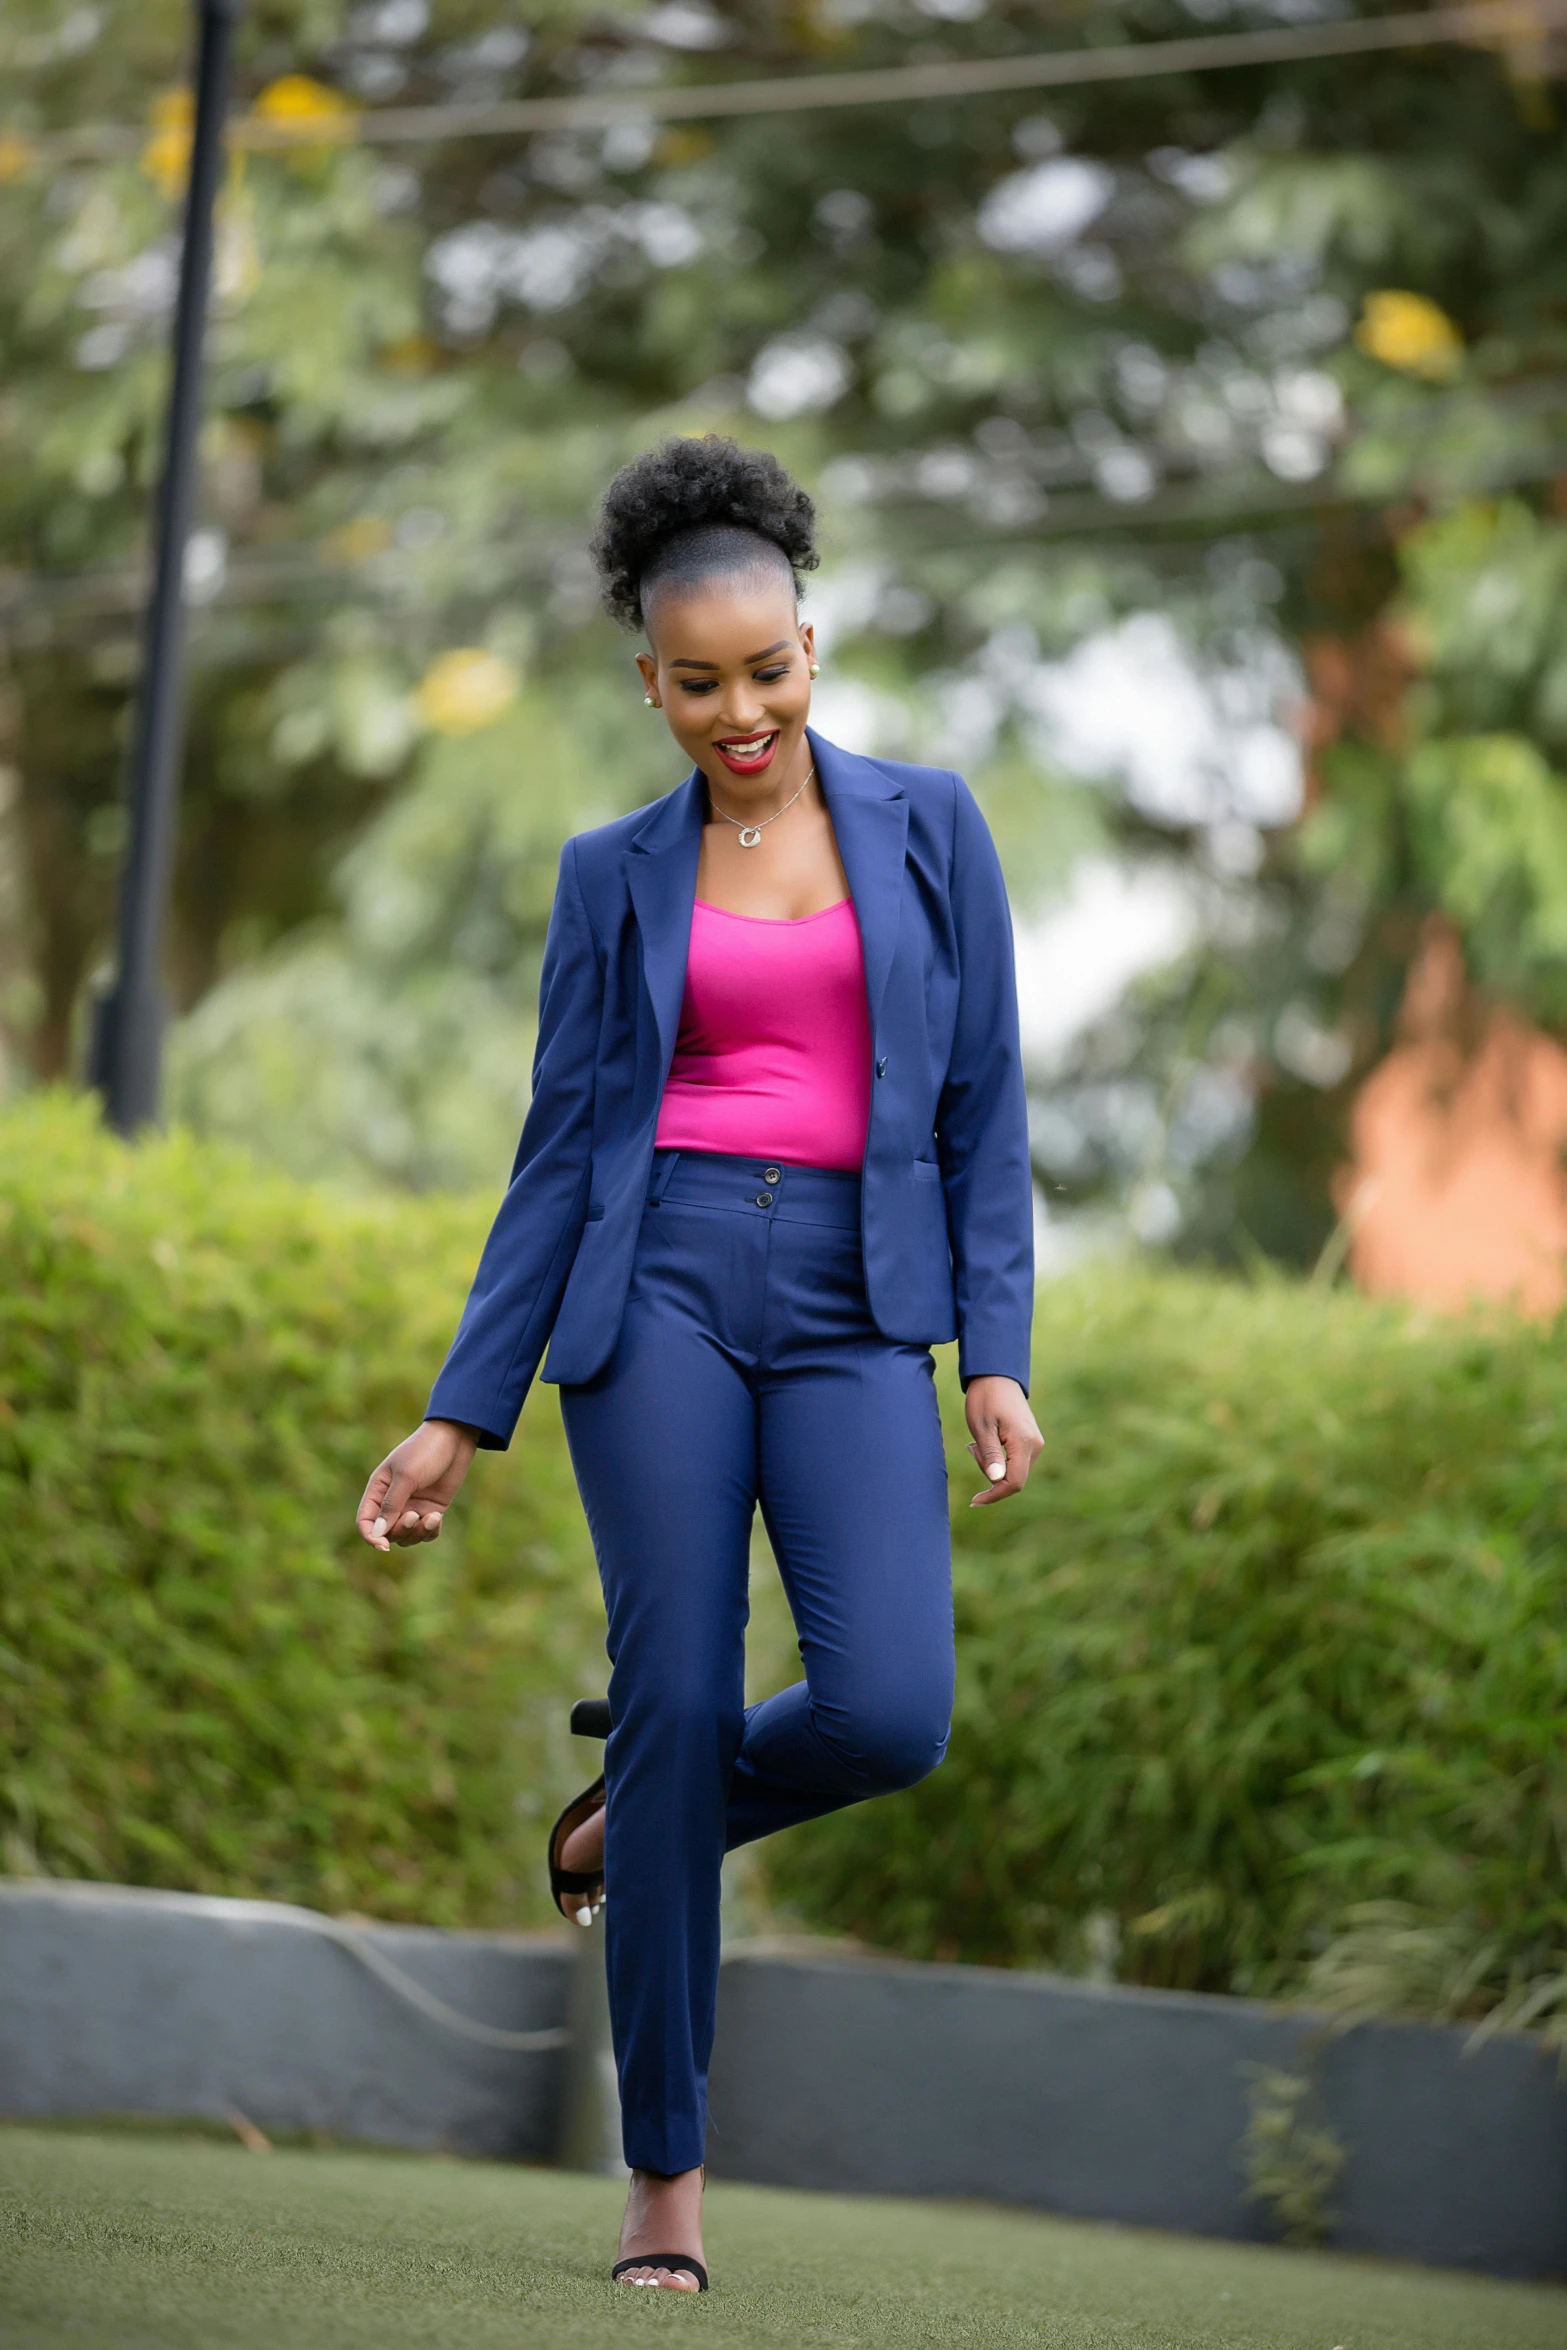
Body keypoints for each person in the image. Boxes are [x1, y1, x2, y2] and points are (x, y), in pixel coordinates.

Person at [356, 435, 1042, 2292]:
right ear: (644, 680)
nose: (739, 710)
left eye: (768, 669)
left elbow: (982, 1112)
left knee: (889, 1707)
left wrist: (996, 1350)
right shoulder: (610, 875)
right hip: (650, 1281)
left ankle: (632, 1809)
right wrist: (454, 1409)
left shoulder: (933, 828)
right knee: (678, 1675)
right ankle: (667, 2184)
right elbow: (559, 1149)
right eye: (697, 682)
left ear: (809, 642)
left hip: (854, 1304)